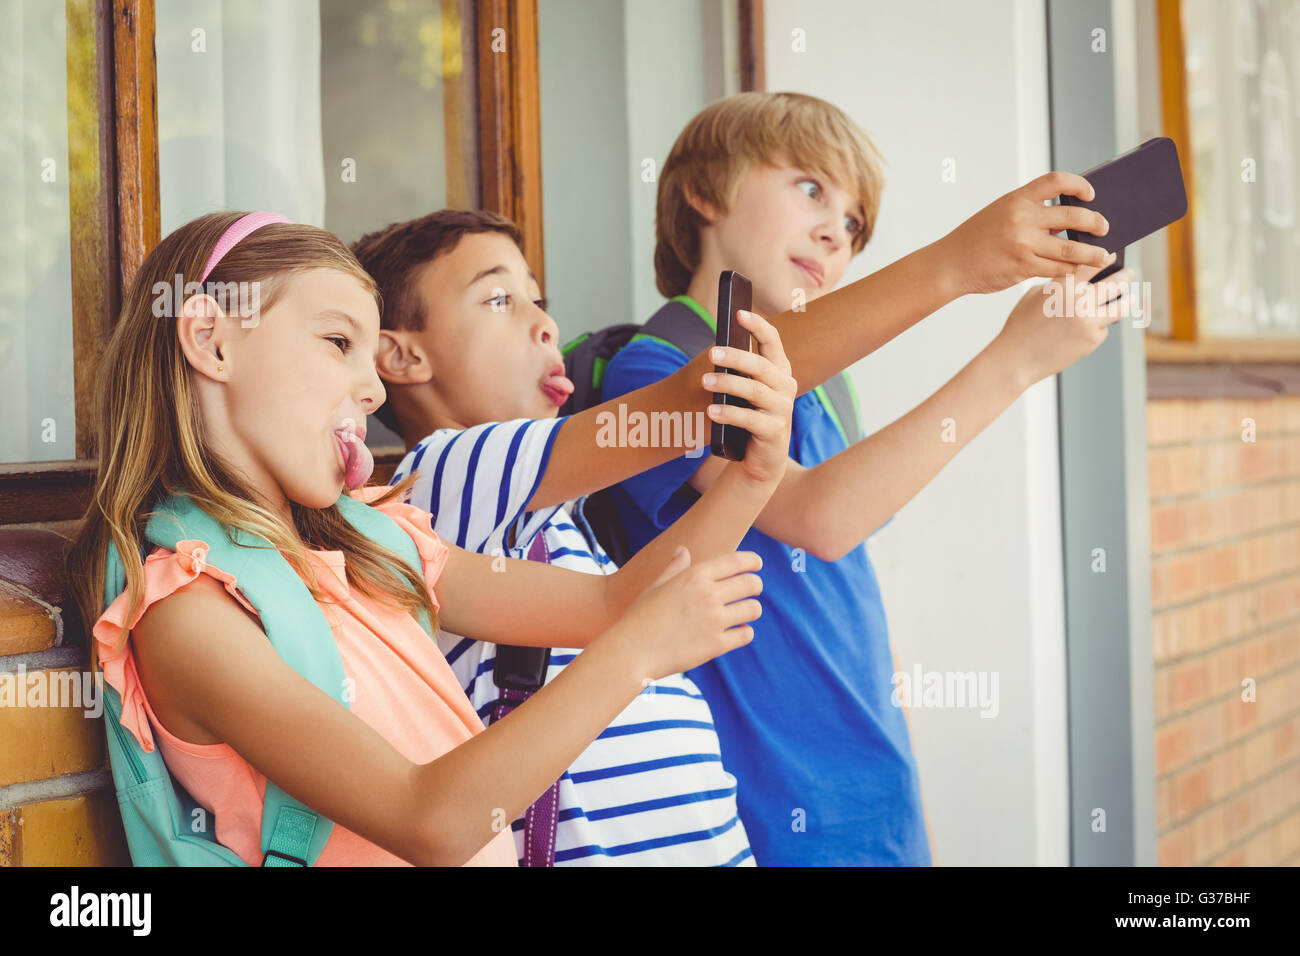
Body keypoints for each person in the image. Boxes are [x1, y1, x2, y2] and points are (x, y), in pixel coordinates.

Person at [67, 210, 789, 866]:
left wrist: (751, 480)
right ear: (210, 341)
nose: (373, 388)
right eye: (337, 341)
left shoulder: (373, 545)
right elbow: (429, 820)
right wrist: (636, 655)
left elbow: (616, 604)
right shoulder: (187, 611)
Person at [599, 91, 1133, 865]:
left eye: (853, 223)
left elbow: (852, 605)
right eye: (811, 188)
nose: (833, 231)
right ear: (704, 192)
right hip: (764, 811)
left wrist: (910, 810)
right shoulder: (655, 368)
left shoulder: (815, 386)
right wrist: (1014, 361)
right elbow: (819, 517)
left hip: (878, 808)